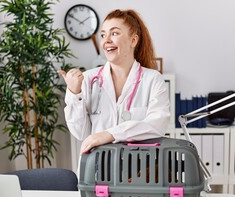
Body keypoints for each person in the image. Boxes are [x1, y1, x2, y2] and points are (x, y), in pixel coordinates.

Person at [58, 9, 170, 156]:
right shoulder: (88, 80)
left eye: (115, 33)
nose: (106, 40)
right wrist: (74, 94)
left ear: (133, 40)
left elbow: (157, 125)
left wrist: (110, 134)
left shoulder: (153, 80)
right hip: (98, 168)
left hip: (138, 170)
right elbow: (81, 133)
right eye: (103, 35)